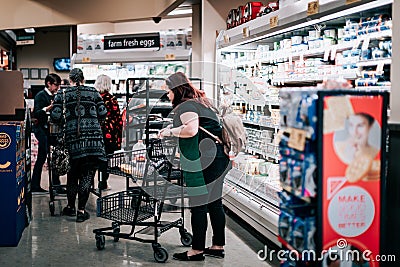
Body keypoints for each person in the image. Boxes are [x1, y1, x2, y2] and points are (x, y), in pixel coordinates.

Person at [159, 72, 231, 261]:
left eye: (168, 91)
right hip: (220, 157)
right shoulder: (201, 101)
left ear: (176, 90)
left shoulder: (187, 106)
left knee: (198, 205)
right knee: (215, 203)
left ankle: (197, 250)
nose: (167, 95)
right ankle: (217, 246)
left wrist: (168, 132)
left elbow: (191, 130)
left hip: (206, 160)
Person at [50, 68, 107, 222]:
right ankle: (81, 211)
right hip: (93, 141)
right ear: (83, 78)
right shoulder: (94, 92)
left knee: (73, 174)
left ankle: (70, 207)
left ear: (70, 79)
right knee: (88, 175)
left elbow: (55, 117)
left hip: (72, 140)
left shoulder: (63, 94)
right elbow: (103, 113)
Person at [31, 73, 66, 194]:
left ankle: (56, 184)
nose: (58, 88)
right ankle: (35, 185)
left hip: (52, 130)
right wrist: (48, 108)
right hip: (41, 129)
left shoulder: (56, 96)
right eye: (56, 85)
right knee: (42, 156)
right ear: (49, 84)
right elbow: (37, 113)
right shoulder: (41, 95)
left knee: (56, 155)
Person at [94, 74, 123, 190]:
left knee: (94, 159)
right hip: (109, 134)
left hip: (95, 133)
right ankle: (103, 183)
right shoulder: (111, 99)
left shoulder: (93, 98)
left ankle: (90, 183)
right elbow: (117, 119)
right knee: (105, 159)